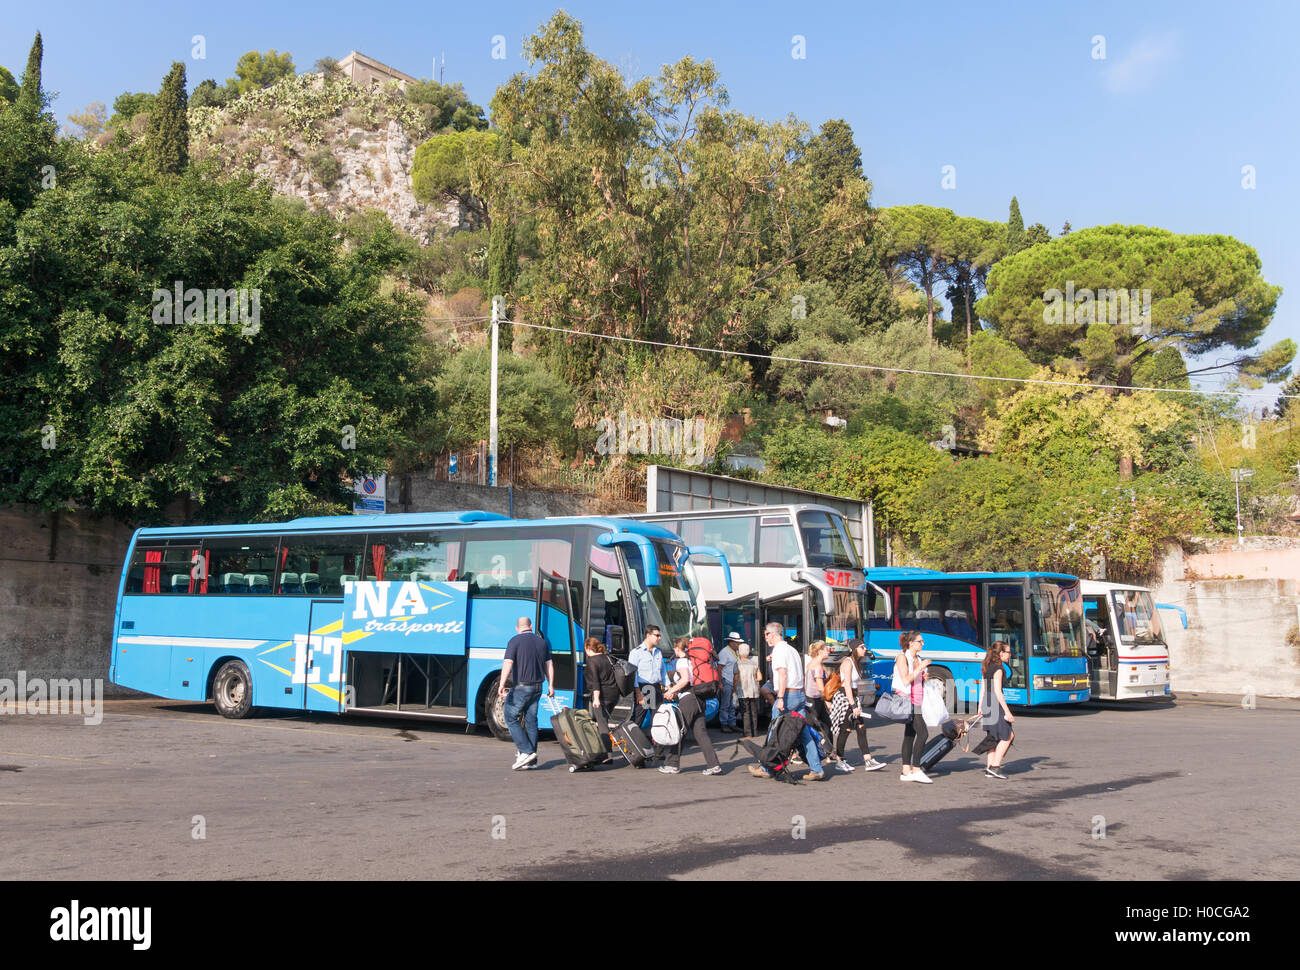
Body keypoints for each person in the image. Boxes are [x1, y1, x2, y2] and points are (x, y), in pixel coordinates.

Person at [750, 622, 825, 781]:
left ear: (772, 634)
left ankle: (767, 768)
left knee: (775, 732)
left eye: (766, 635)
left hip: (787, 696)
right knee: (804, 733)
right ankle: (816, 769)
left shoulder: (778, 651)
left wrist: (780, 698)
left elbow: (782, 675)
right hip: (798, 695)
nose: (765, 639)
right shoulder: (792, 650)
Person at [659, 637, 722, 775]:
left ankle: (672, 764)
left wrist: (671, 690)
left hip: (688, 699)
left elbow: (685, 679)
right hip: (698, 699)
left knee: (679, 730)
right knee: (701, 733)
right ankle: (714, 765)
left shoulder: (681, 661)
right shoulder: (692, 661)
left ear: (677, 648)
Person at [499, 617, 555, 770]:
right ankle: (532, 761)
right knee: (531, 720)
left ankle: (526, 751)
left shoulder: (514, 641)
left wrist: (502, 683)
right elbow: (549, 665)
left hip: (522, 687)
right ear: (530, 626)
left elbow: (508, 663)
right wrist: (551, 685)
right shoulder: (542, 642)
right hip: (538, 687)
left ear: (517, 628)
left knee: (510, 717)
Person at [831, 638, 886, 771]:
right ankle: (839, 760)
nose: (865, 649)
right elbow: (847, 685)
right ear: (855, 649)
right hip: (846, 697)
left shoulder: (856, 662)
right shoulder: (848, 662)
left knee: (861, 727)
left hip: (853, 697)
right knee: (845, 729)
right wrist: (853, 705)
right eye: (862, 647)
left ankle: (868, 760)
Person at [894, 631, 932, 783]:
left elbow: (916, 679)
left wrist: (923, 677)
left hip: (918, 699)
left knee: (910, 735)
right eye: (919, 641)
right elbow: (905, 680)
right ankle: (916, 768)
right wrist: (920, 667)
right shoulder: (902, 657)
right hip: (907, 700)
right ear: (910, 643)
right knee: (923, 734)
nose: (922, 644)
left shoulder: (918, 658)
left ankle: (905, 770)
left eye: (922, 641)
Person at [978, 641, 1016, 779]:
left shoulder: (987, 666)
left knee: (993, 736)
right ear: (1001, 653)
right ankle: (995, 767)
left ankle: (989, 768)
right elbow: (998, 692)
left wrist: (980, 706)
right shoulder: (999, 669)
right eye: (1008, 652)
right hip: (994, 702)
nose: (1010, 655)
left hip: (987, 702)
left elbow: (983, 687)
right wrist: (1007, 712)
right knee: (1007, 735)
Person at [803, 640, 841, 770]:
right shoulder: (818, 667)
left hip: (809, 699)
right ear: (819, 651)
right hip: (816, 700)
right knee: (822, 726)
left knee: (820, 726)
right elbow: (820, 688)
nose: (828, 651)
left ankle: (829, 752)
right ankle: (828, 753)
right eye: (825, 649)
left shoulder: (810, 664)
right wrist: (827, 701)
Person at [628, 625, 666, 723]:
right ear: (648, 635)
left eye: (660, 635)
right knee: (638, 719)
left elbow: (663, 671)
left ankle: (657, 738)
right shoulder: (636, 652)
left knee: (658, 720)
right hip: (645, 689)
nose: (659, 638)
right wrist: (638, 694)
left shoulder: (658, 652)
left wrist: (668, 686)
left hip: (657, 688)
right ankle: (630, 737)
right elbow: (633, 675)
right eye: (657, 635)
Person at [584, 636, 619, 741]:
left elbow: (595, 680)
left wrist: (596, 698)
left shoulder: (592, 661)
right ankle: (604, 748)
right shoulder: (609, 658)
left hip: (602, 696)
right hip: (614, 695)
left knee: (602, 724)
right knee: (605, 721)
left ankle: (607, 754)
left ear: (588, 648)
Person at [717, 632, 741, 733]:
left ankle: (732, 724)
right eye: (736, 642)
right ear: (730, 642)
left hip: (732, 681)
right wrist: (720, 683)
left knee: (731, 705)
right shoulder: (724, 652)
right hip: (726, 681)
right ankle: (724, 724)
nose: (738, 644)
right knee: (726, 704)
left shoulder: (735, 651)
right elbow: (719, 668)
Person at [735, 642, 761, 737]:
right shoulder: (754, 663)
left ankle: (747, 733)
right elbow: (759, 677)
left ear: (739, 652)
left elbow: (736, 678)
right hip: (753, 691)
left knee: (745, 712)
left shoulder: (737, 663)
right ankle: (755, 732)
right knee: (754, 712)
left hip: (743, 691)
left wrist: (734, 690)